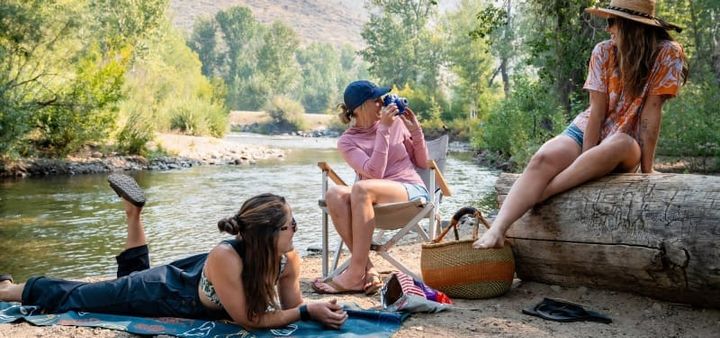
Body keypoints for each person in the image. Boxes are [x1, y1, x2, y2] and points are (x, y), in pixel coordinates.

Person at [0, 174, 347, 330]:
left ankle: (133, 215)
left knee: (117, 284)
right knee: (81, 296)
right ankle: (8, 289)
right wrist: (305, 312)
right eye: (292, 224)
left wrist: (316, 309)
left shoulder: (288, 261)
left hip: (193, 279)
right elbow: (250, 320)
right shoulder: (226, 256)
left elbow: (291, 308)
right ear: (268, 235)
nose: (297, 230)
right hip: (166, 292)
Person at [473, 0, 689, 249]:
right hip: (587, 129)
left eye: (612, 22)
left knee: (619, 141)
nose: (608, 29)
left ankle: (542, 193)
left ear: (631, 26)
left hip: (626, 143)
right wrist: (585, 160)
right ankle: (498, 229)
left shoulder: (668, 53)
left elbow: (651, 113)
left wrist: (647, 171)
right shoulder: (603, 51)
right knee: (542, 158)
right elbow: (596, 112)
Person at [312, 80, 430, 295]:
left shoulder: (394, 124)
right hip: (371, 202)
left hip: (409, 192)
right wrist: (383, 130)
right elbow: (375, 172)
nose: (382, 103)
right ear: (360, 107)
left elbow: (422, 162)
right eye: (376, 100)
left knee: (361, 188)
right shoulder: (347, 141)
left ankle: (355, 272)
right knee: (334, 193)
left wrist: (416, 130)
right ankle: (367, 268)